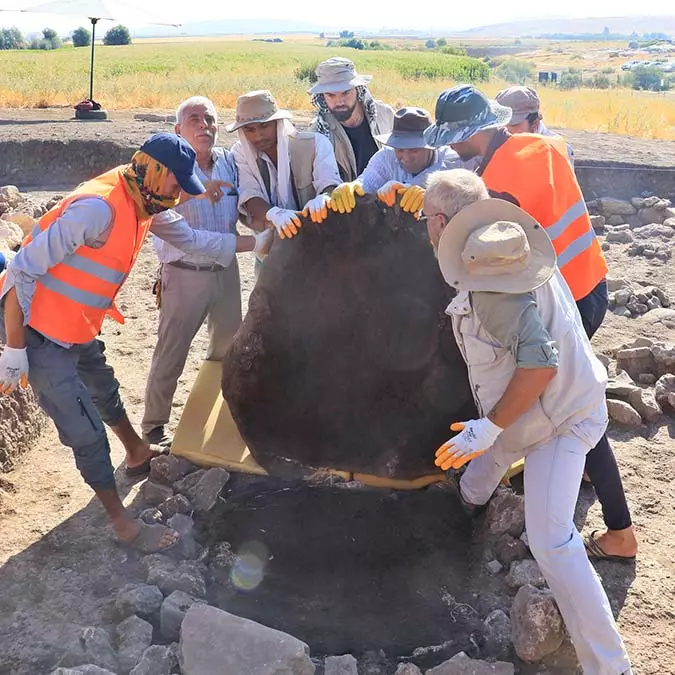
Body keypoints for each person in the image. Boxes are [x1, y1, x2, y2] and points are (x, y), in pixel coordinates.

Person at [0, 133, 271, 554]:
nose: (179, 194)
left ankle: (137, 452)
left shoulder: (146, 202)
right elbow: (20, 274)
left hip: (75, 324)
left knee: (104, 387)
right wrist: (15, 349)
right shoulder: (95, 210)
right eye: (176, 184)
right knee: (85, 431)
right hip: (35, 329)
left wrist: (260, 242)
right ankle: (122, 524)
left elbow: (196, 241)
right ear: (153, 171)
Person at [424, 169, 633, 675]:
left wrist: (490, 425)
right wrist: (493, 429)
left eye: (427, 220)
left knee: (551, 540)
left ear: (442, 221)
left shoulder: (491, 285)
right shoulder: (506, 239)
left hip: (560, 418)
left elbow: (539, 366)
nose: (425, 230)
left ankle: (611, 666)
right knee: (487, 454)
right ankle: (468, 503)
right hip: (539, 407)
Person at [424, 85, 637, 561]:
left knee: (570, 405)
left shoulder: (500, 182)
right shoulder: (543, 143)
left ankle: (619, 530)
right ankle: (483, 488)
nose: (452, 149)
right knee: (564, 400)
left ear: (471, 133)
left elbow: (481, 245)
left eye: (454, 140)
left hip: (561, 302)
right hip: (589, 278)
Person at [141, 97, 247, 448]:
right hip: (184, 274)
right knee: (171, 354)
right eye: (194, 119)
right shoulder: (163, 173)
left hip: (226, 273)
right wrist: (256, 243)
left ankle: (223, 419)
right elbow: (189, 239)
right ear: (177, 130)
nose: (204, 125)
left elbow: (246, 206)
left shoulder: (231, 164)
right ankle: (154, 427)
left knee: (229, 349)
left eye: (211, 119)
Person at [229, 89, 341, 246]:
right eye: (250, 129)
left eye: (264, 126)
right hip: (272, 247)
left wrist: (324, 198)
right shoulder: (240, 152)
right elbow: (249, 193)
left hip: (321, 243)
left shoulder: (315, 144)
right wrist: (274, 214)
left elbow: (329, 182)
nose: (258, 135)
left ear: (277, 122)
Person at [309, 57, 394, 182]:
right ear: (323, 97)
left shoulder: (385, 114)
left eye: (346, 93)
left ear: (358, 90)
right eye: (330, 95)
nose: (339, 102)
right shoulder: (318, 131)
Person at [495, 85, 575, 166]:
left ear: (534, 123)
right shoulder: (491, 146)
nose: (503, 129)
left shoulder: (558, 152)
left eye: (513, 124)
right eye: (499, 122)